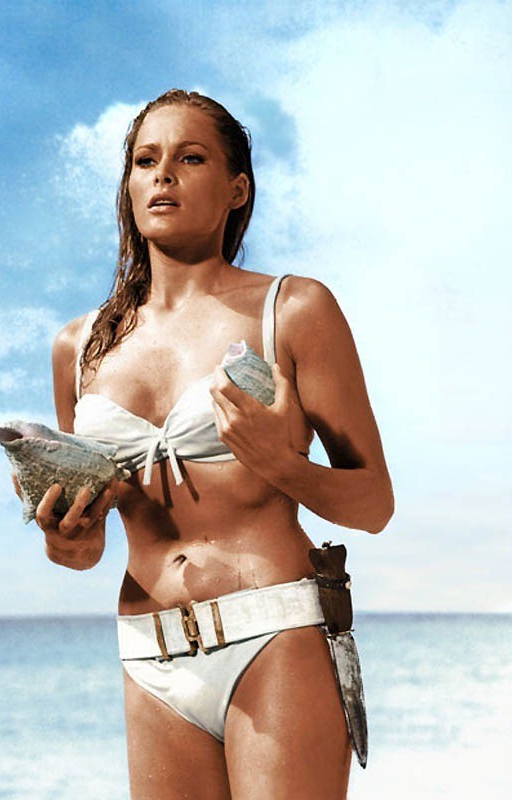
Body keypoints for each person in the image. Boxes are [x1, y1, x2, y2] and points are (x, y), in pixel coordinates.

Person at [27, 89, 394, 799]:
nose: (163, 174)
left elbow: (374, 503)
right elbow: (85, 551)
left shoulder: (293, 310)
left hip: (274, 634)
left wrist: (282, 465)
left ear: (237, 189)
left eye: (190, 158)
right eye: (145, 161)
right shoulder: (79, 347)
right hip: (150, 651)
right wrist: (66, 538)